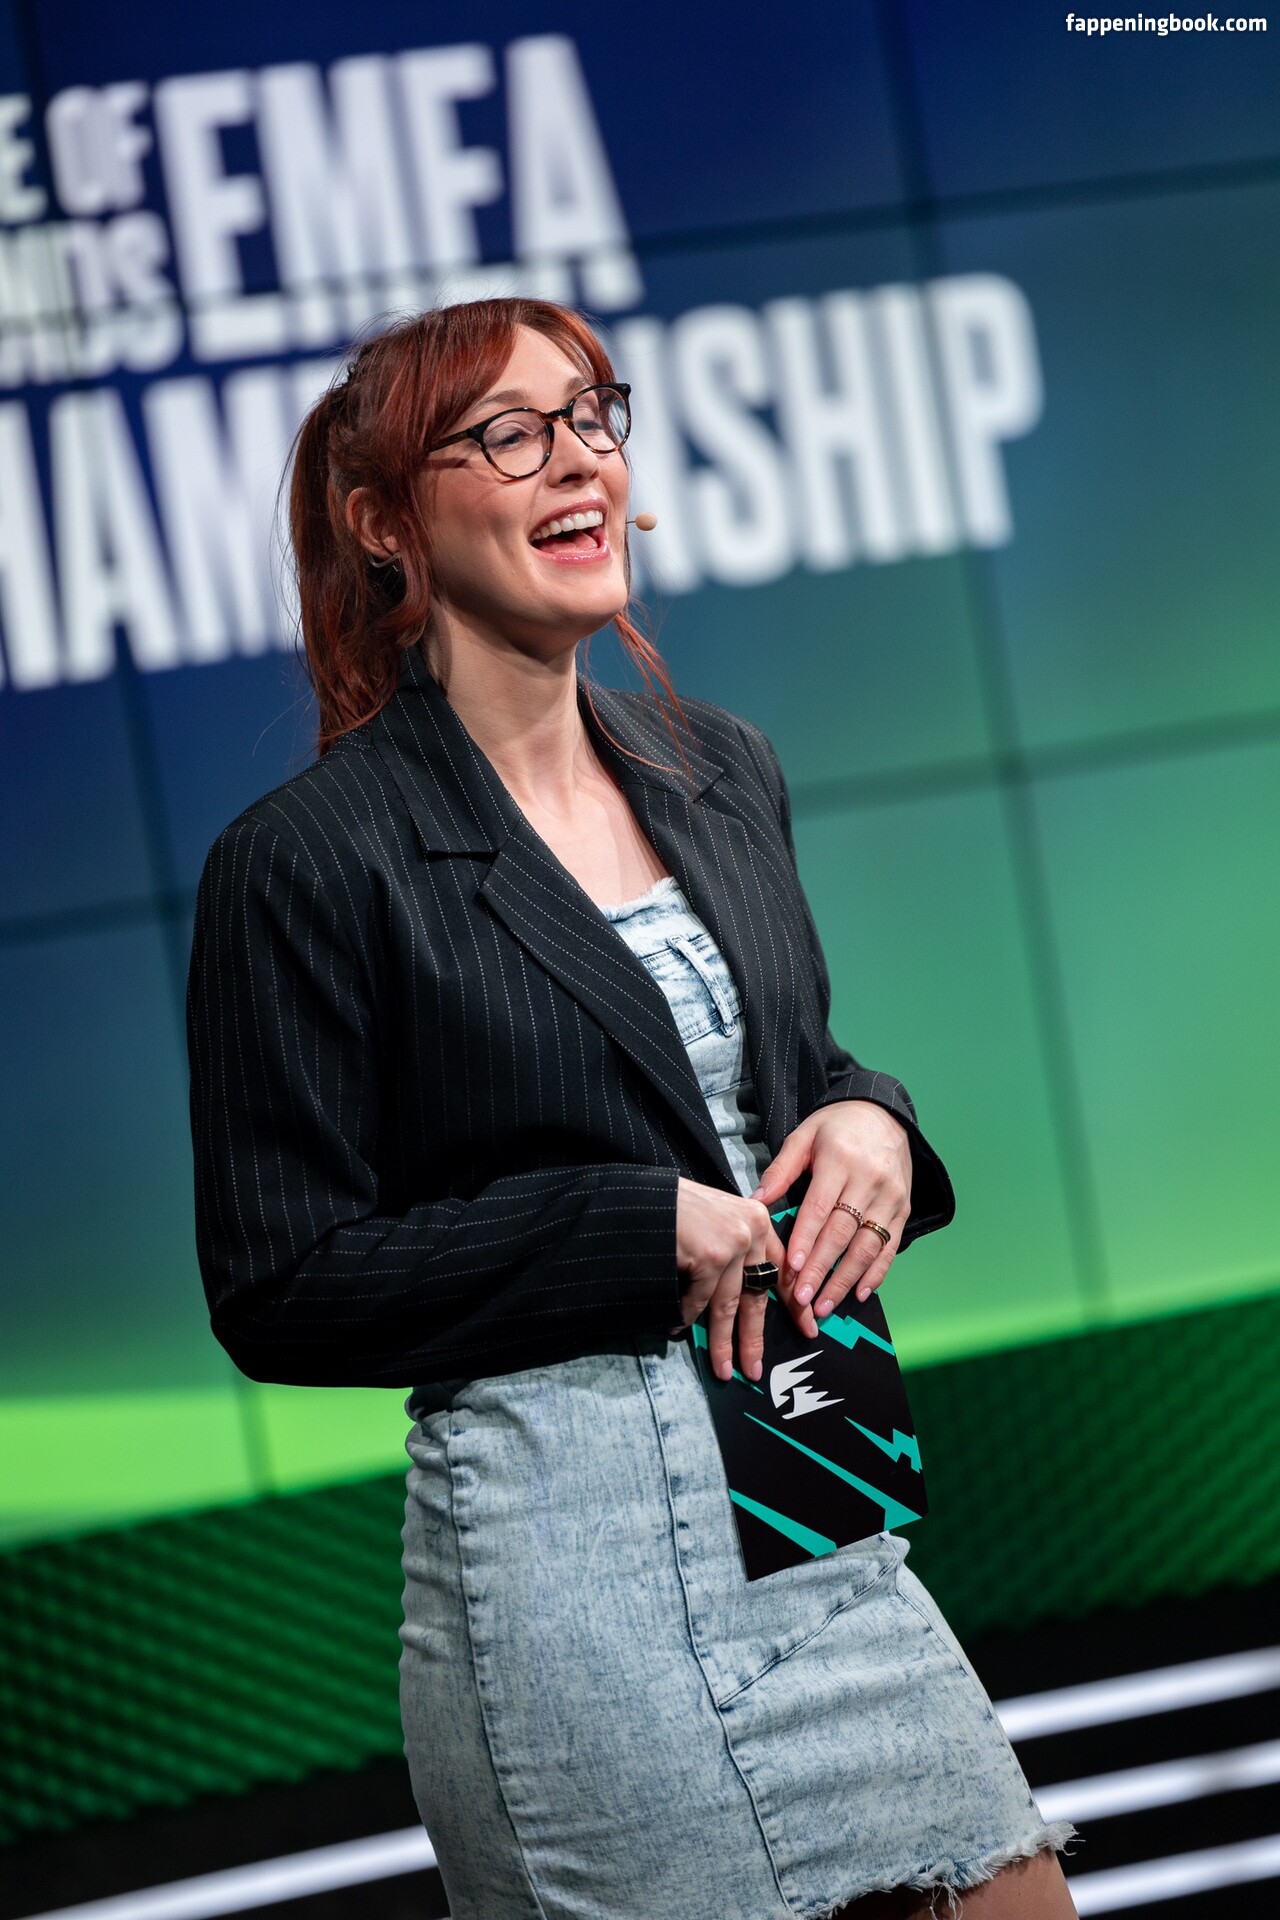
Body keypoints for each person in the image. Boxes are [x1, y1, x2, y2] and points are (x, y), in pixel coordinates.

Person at [186, 297, 1078, 1919]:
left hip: (812, 1509)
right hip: (573, 1567)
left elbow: (761, 1073)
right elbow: (282, 1283)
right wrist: (625, 1230)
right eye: (508, 434)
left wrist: (873, 1120)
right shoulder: (306, 860)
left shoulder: (718, 767)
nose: (577, 459)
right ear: (384, 524)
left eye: (592, 414)